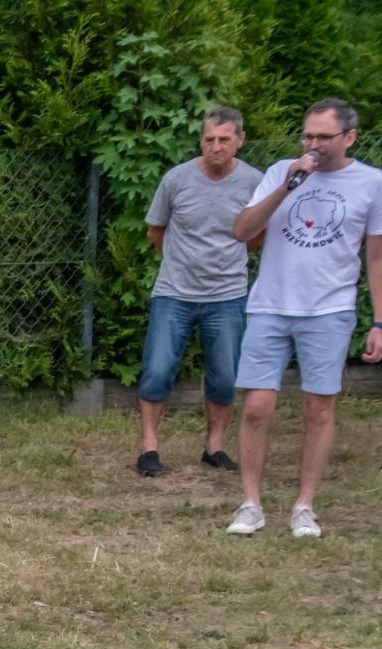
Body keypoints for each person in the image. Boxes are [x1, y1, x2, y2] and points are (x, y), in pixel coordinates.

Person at [225, 98, 382, 537]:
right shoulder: (281, 172)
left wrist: (379, 322)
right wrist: (288, 186)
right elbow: (241, 231)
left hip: (329, 309)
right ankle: (251, 504)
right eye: (308, 135)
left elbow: (376, 258)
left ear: (349, 137)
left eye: (323, 137)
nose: (313, 144)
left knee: (319, 408)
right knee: (256, 406)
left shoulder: (372, 183)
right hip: (270, 305)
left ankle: (304, 506)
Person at [134, 107, 262, 476]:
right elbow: (155, 231)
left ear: (240, 140)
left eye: (224, 139)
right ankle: (148, 448)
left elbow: (259, 236)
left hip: (227, 295)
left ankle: (214, 447)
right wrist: (184, 264)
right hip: (174, 293)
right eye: (209, 139)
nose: (216, 147)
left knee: (224, 376)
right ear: (201, 141)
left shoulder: (255, 182)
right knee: (157, 370)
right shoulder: (177, 179)